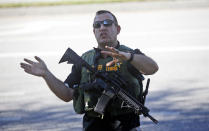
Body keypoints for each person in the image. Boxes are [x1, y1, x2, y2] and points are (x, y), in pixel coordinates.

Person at [20, 10, 158, 131]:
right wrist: (46, 74)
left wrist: (128, 57)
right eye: (97, 25)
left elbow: (152, 68)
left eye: (107, 23)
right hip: (94, 126)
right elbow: (67, 95)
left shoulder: (131, 55)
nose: (102, 28)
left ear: (118, 29)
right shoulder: (85, 60)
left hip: (128, 126)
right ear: (94, 32)